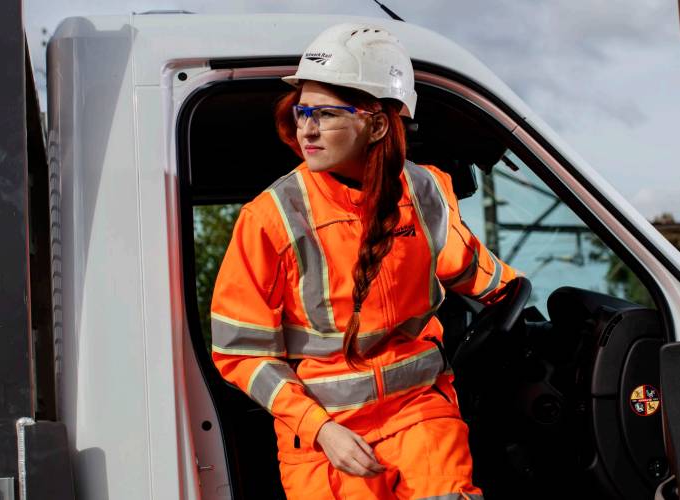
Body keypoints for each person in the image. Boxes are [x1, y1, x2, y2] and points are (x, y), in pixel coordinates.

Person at [210, 23, 517, 499]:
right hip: (325, 440)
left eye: (325, 114)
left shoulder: (427, 193)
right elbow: (240, 353)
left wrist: (520, 298)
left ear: (376, 124)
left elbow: (474, 271)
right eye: (301, 111)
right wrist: (321, 429)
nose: (305, 129)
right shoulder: (270, 218)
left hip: (421, 416)